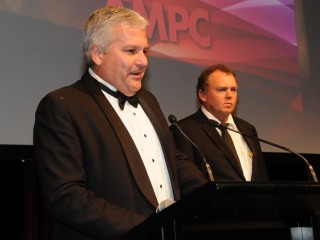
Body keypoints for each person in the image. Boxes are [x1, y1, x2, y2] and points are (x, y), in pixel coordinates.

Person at [33, 6, 207, 240]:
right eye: (130, 50)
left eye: (145, 51)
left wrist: (212, 198)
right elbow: (66, 196)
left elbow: (172, 161)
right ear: (97, 54)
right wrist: (148, 228)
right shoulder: (62, 106)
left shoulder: (148, 100)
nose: (143, 61)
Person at [171, 64, 269, 181]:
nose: (229, 95)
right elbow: (187, 180)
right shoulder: (183, 131)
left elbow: (262, 178)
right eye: (222, 90)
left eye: (234, 90)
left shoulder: (248, 129)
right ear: (203, 95)